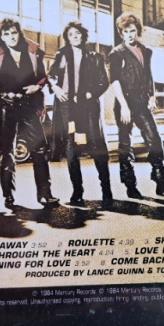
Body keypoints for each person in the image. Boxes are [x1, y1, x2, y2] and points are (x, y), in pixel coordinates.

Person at [108, 12, 164, 200]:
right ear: (121, 33)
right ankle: (130, 186)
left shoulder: (146, 51)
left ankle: (161, 183)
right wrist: (124, 106)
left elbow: (149, 75)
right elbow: (114, 80)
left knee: (154, 141)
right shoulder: (116, 53)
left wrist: (152, 96)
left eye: (132, 31)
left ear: (137, 31)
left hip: (141, 102)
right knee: (125, 146)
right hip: (125, 103)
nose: (129, 35)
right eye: (126, 32)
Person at [0, 18, 58, 208]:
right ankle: (8, 196)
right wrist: (0, 91)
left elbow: (43, 76)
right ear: (1, 36)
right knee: (6, 151)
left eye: (14, 33)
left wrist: (37, 86)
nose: (11, 37)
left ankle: (45, 194)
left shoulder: (33, 51)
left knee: (40, 148)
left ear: (19, 33)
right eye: (6, 34)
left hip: (28, 104)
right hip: (6, 105)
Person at [49, 22, 113, 207]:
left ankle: (106, 189)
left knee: (96, 144)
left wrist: (90, 94)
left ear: (83, 36)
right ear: (67, 38)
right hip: (68, 107)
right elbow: (51, 75)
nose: (74, 37)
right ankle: (77, 192)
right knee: (71, 147)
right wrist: (56, 89)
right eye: (71, 34)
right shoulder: (62, 55)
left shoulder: (95, 57)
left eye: (77, 33)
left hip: (88, 106)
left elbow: (103, 82)